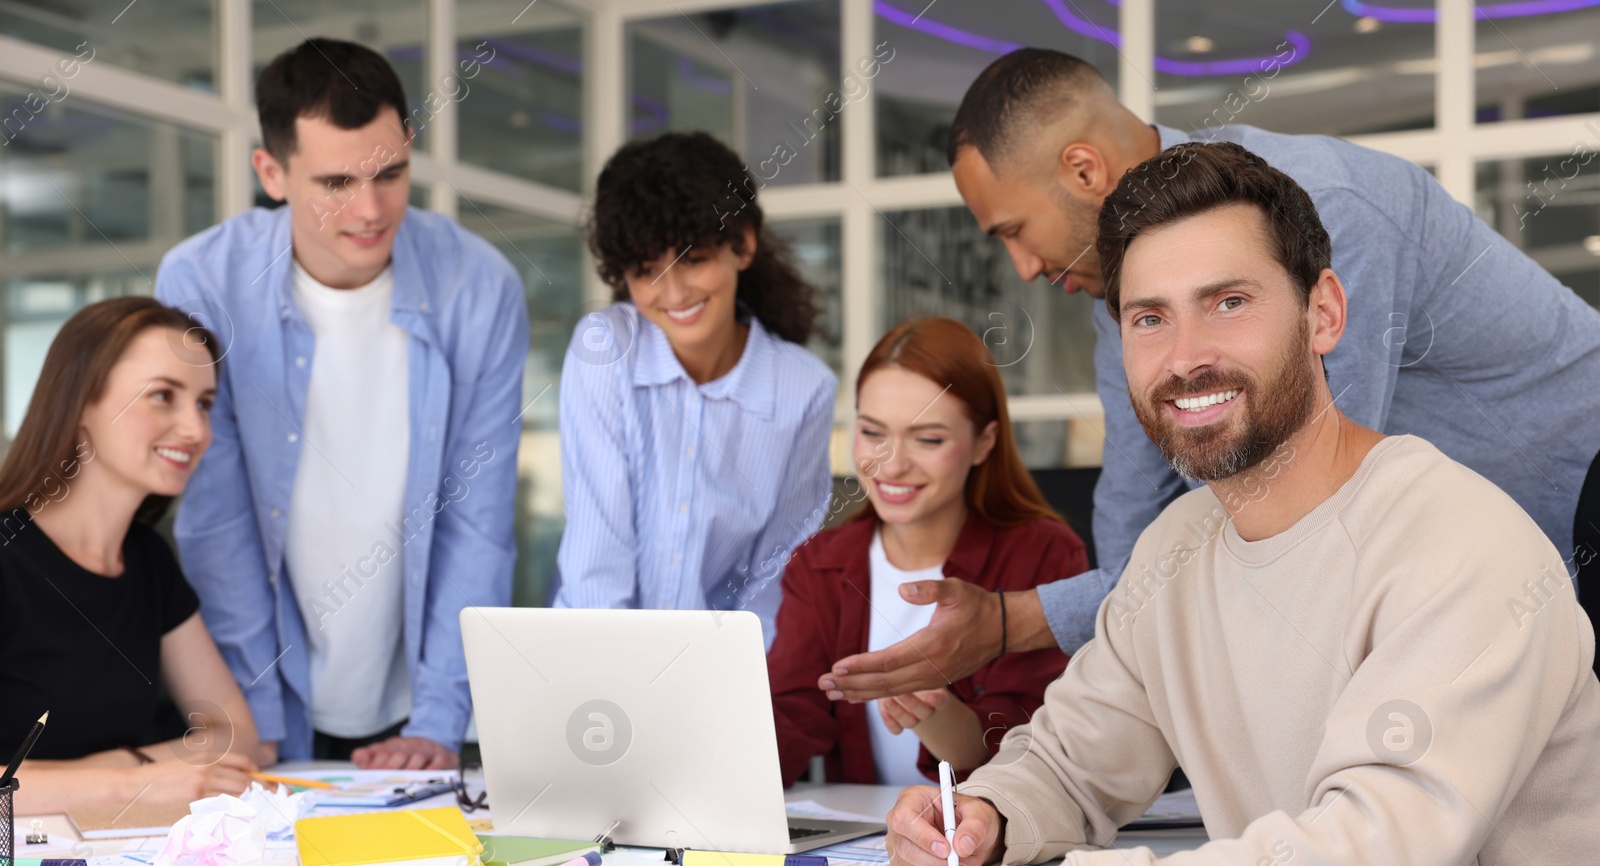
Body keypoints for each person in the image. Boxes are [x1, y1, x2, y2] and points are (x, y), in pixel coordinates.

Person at [762, 143, 1600, 866]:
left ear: (1324, 313)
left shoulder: (1458, 542)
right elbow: (1076, 757)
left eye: (1228, 303)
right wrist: (987, 814)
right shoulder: (1179, 549)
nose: (1187, 357)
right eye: (1149, 318)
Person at [821, 48, 1600, 707]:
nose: (1022, 267)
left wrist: (1016, 620)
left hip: (1578, 521)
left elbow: (1296, 513)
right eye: (1151, 318)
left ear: (1085, 168)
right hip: (1484, 597)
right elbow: (1139, 553)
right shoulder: (1118, 293)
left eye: (1015, 231)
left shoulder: (1322, 212)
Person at [155, 39, 526, 769]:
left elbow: (477, 523)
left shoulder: (479, 287)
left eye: (391, 172)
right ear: (271, 172)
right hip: (257, 690)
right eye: (335, 183)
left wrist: (442, 719)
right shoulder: (204, 281)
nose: (371, 209)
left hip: (417, 700)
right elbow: (219, 522)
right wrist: (252, 720)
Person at [767, 317, 1084, 787]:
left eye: (928, 439)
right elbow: (791, 714)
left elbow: (1029, 747)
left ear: (984, 443)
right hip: (864, 849)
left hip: (995, 844)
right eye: (874, 433)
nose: (892, 465)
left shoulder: (1044, 554)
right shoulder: (819, 563)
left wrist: (932, 713)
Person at [553, 132, 836, 648]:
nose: (675, 292)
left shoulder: (804, 390)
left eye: (693, 259)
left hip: (721, 674)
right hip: (595, 655)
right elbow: (598, 567)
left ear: (743, 245)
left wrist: (740, 691)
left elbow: (774, 579)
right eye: (646, 270)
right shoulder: (604, 351)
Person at [0, 298, 261, 816]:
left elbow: (233, 735)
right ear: (79, 406)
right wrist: (134, 782)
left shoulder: (147, 559)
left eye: (204, 403)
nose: (195, 429)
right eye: (163, 396)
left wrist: (125, 765)